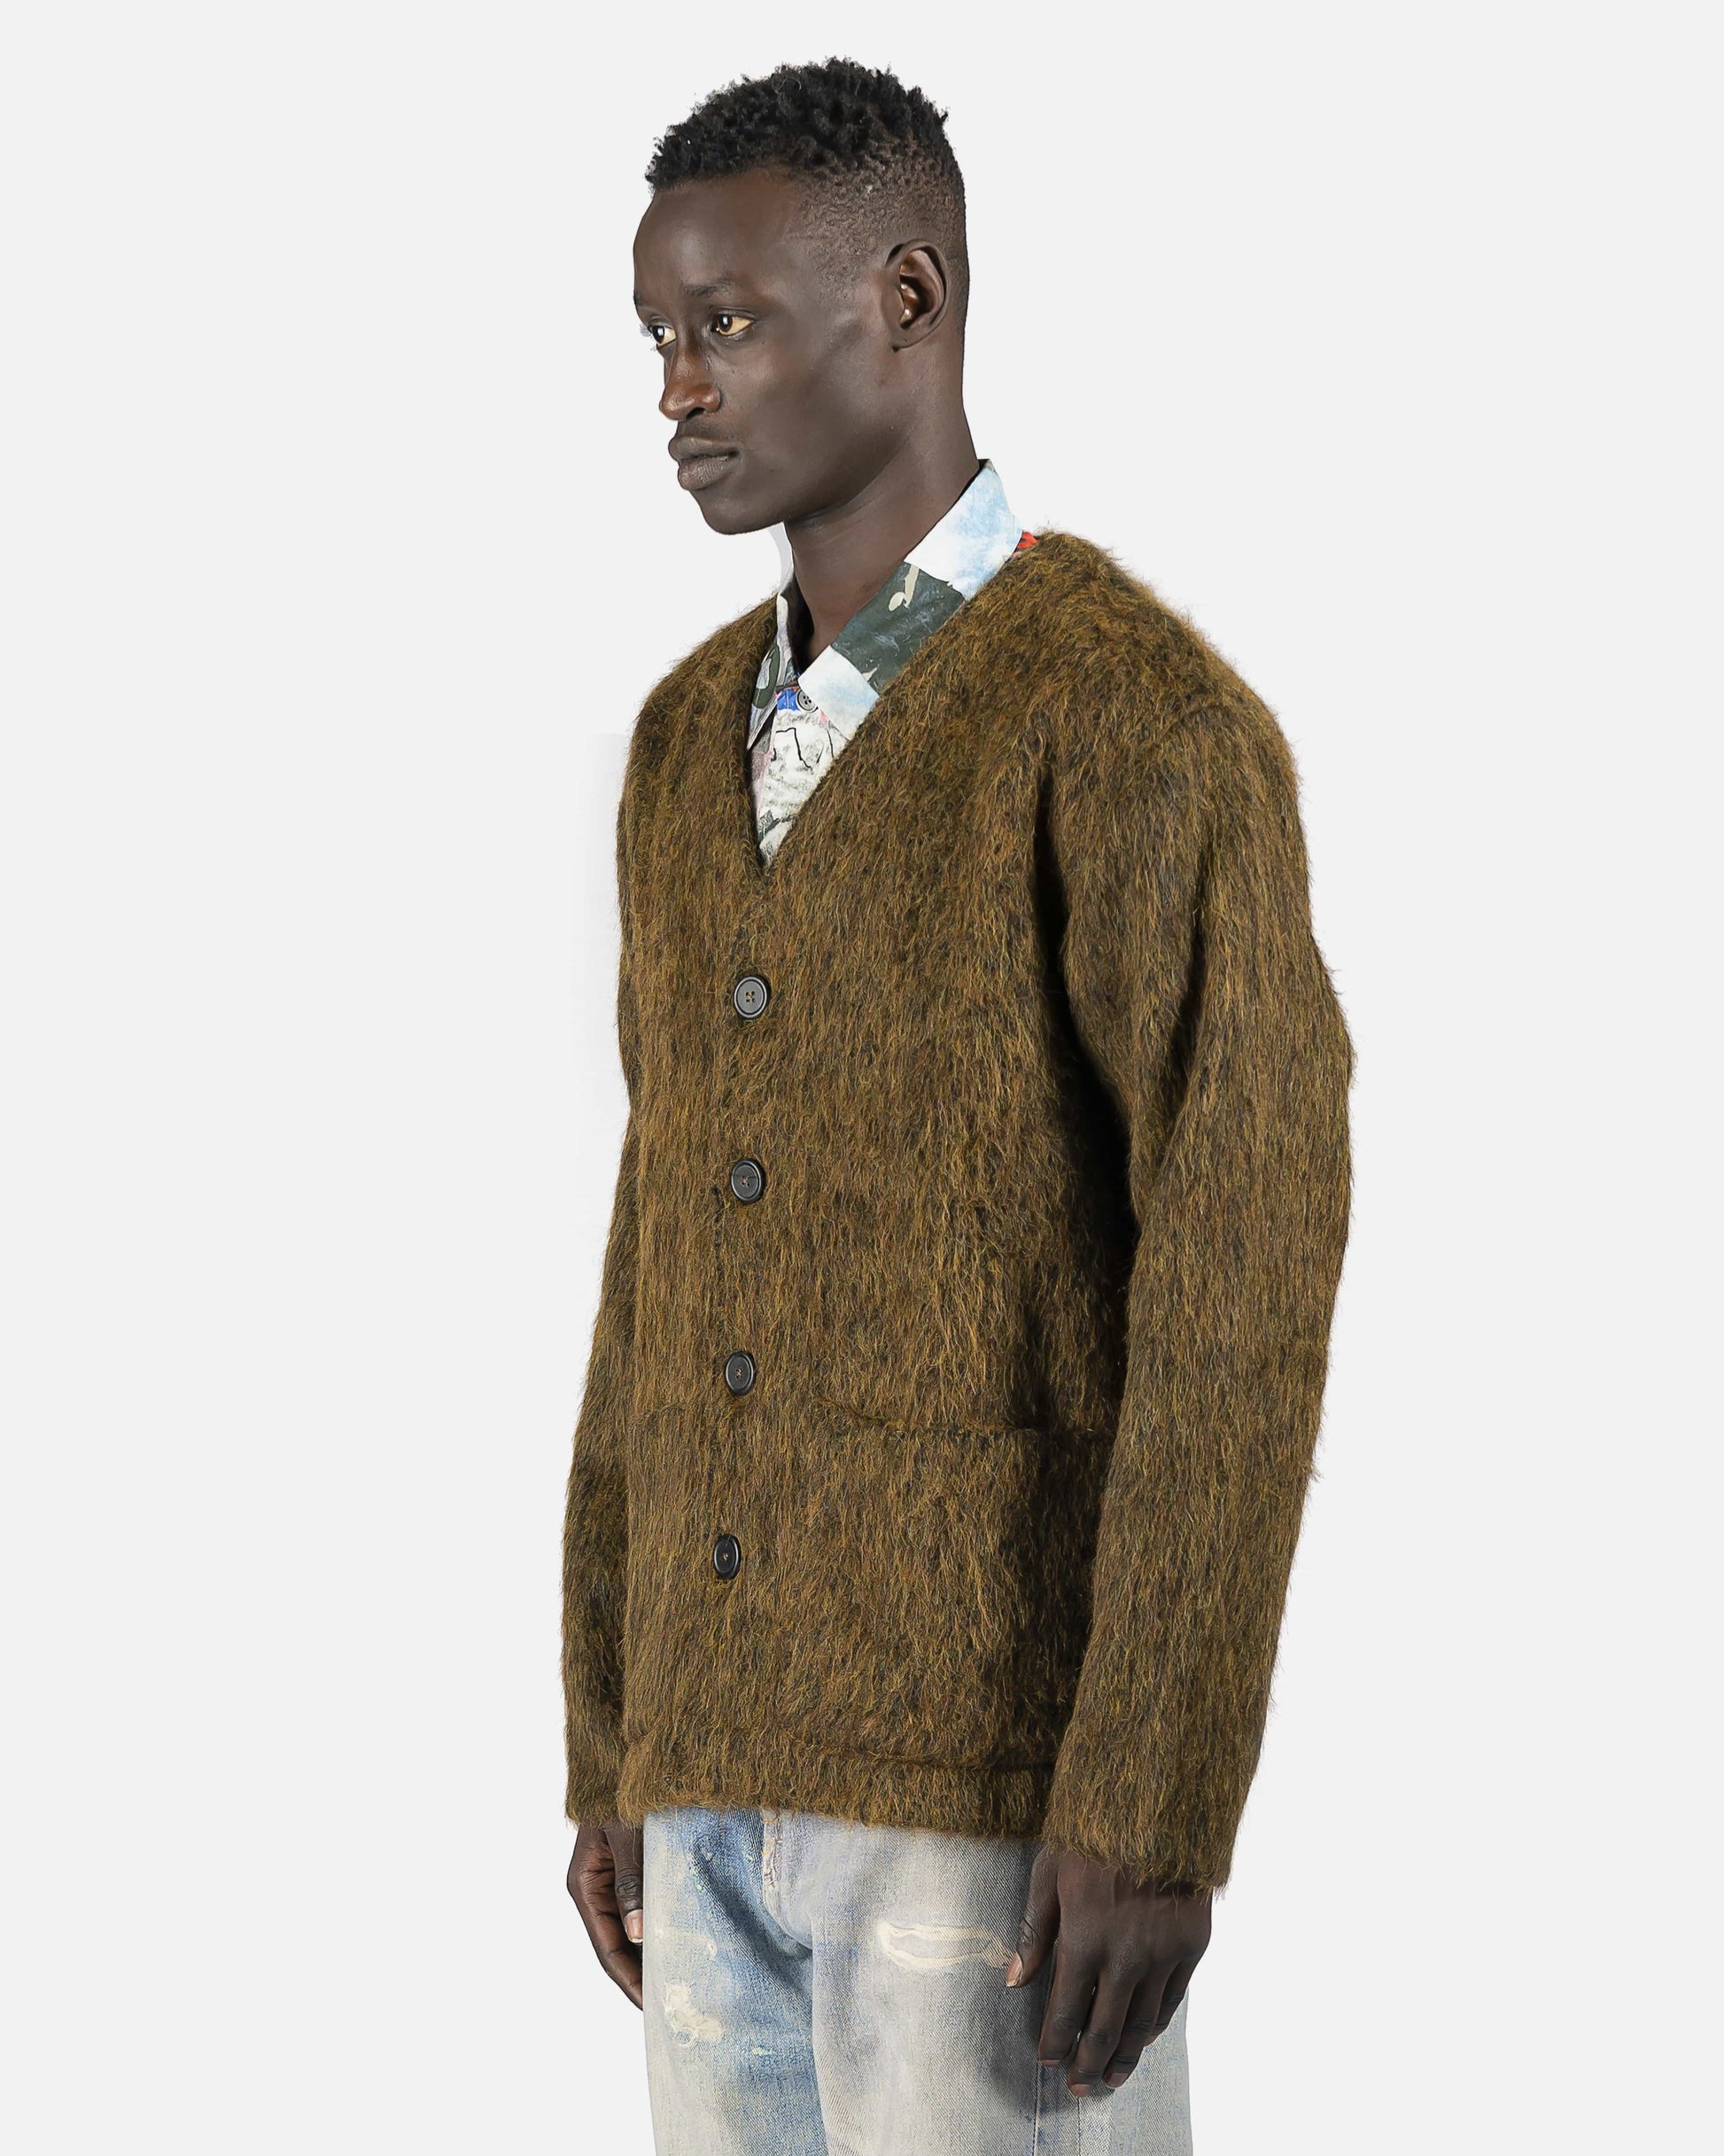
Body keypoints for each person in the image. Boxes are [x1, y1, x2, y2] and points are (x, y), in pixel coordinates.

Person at [563, 56, 1353, 2155]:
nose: (677, 391)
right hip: (707, 1787)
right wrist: (618, 1722)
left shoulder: (1130, 717)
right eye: (656, 336)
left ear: (903, 300)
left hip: (993, 1796)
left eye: (726, 324)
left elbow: (1241, 1264)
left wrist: (1154, 1791)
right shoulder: (680, 741)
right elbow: (659, 1237)